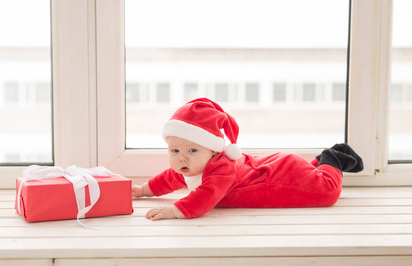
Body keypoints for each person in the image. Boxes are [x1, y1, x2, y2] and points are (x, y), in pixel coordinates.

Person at [132, 98, 364, 221]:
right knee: (311, 178)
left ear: (213, 151)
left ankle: (331, 158)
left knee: (327, 192)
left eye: (192, 151)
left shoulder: (221, 169)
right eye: (174, 151)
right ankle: (315, 166)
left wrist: (175, 211)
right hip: (275, 165)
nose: (182, 158)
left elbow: (206, 196)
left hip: (281, 173)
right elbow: (170, 178)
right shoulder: (190, 167)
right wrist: (143, 190)